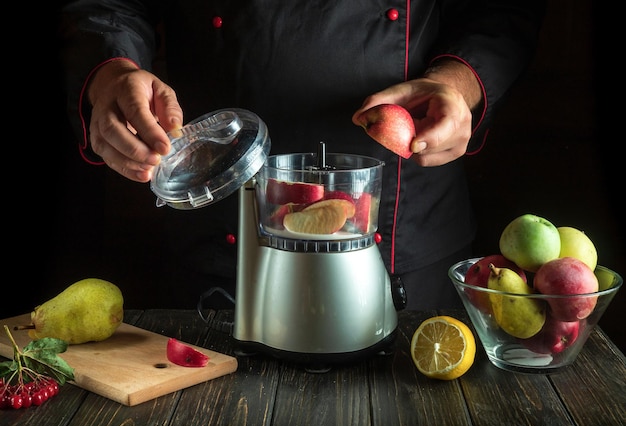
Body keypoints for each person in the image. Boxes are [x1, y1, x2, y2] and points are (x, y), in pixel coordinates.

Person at [58, 1, 546, 311]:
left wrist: (457, 84)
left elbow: (499, 10)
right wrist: (111, 74)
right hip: (219, 240)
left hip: (406, 237)